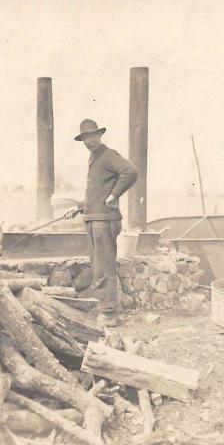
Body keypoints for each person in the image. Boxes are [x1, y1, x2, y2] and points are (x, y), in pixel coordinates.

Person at [66, 119, 138, 326]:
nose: (88, 141)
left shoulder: (109, 155)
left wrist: (115, 194)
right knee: (98, 266)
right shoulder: (95, 158)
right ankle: (104, 308)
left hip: (104, 220)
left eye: (91, 136)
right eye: (84, 138)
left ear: (99, 135)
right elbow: (97, 192)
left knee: (104, 267)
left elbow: (131, 171)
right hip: (94, 218)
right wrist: (80, 207)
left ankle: (108, 313)